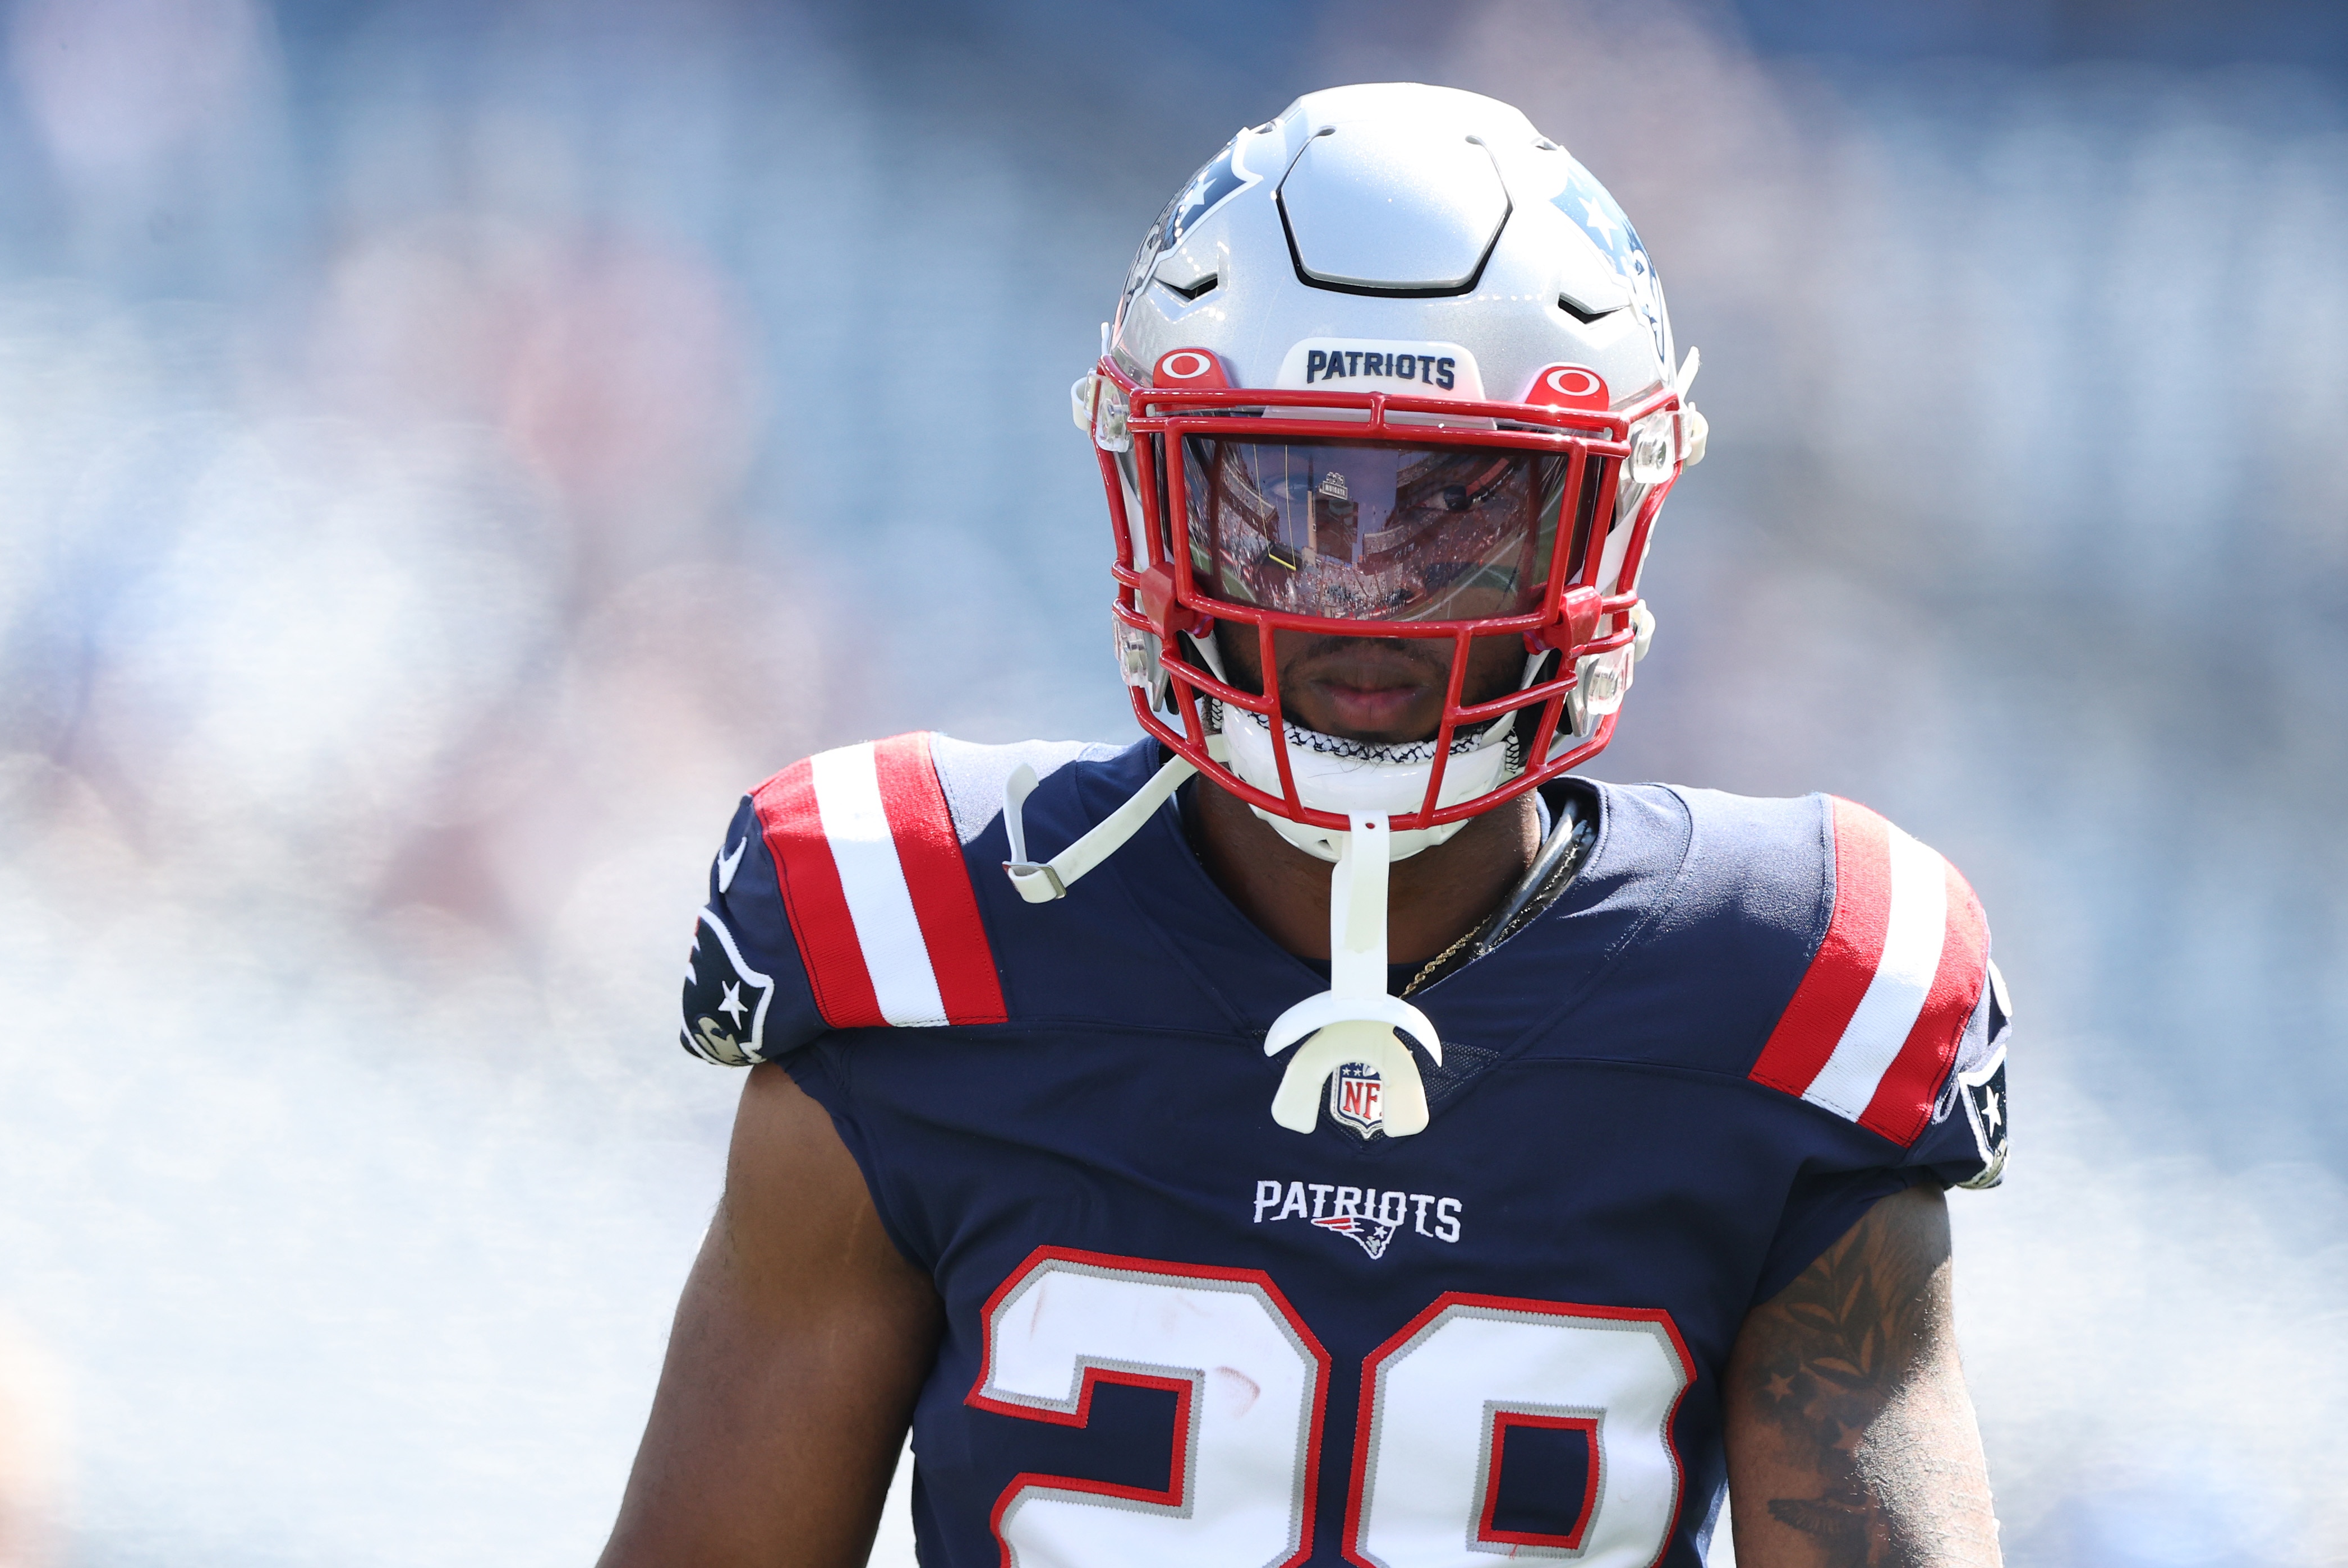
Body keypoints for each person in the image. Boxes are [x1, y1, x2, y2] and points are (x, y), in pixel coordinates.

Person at [599, 82, 2013, 1568]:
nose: (1365, 592)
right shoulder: (911, 931)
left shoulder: (1788, 983)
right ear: (1155, 480)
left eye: (1457, 516)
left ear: (1604, 514)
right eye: (1287, 501)